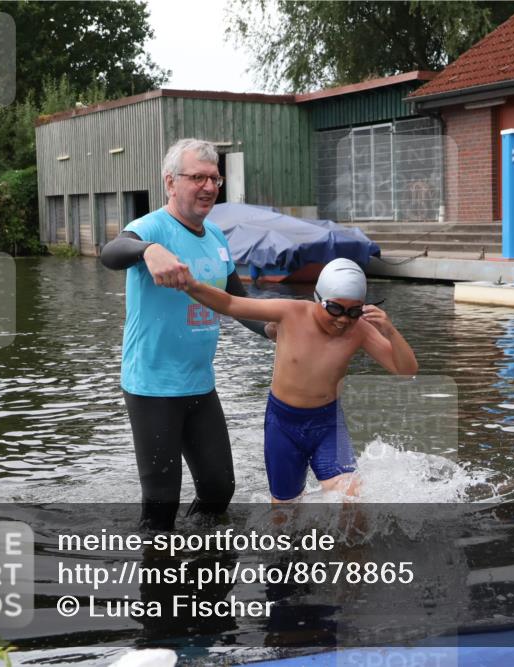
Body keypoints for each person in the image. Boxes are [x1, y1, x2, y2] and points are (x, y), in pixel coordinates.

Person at [100, 138, 275, 531]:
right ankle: (159, 579)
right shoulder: (149, 228)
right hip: (152, 386)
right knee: (161, 506)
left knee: (218, 489)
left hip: (199, 384)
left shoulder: (216, 237)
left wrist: (274, 328)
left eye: (214, 178)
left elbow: (237, 301)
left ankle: (203, 567)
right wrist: (147, 251)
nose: (209, 187)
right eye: (198, 177)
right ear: (170, 183)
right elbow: (111, 252)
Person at [180, 258, 418, 502]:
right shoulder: (290, 313)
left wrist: (389, 331)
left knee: (351, 499)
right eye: (335, 308)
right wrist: (190, 285)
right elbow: (230, 303)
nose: (343, 319)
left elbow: (406, 370)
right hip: (283, 425)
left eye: (353, 312)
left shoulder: (361, 330)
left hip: (327, 425)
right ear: (317, 298)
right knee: (284, 511)